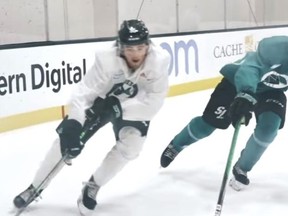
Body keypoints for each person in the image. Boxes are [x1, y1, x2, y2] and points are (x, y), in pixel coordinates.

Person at [13, 19, 170, 215]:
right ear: (120, 47)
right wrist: (74, 124)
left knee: (131, 148)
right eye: (130, 48)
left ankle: (93, 185)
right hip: (100, 104)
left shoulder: (159, 60)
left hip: (135, 108)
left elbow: (154, 101)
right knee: (64, 143)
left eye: (140, 47)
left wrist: (120, 108)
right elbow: (84, 93)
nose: (136, 53)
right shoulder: (106, 59)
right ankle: (34, 187)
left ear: (148, 46)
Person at [160, 35, 288, 191]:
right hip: (238, 81)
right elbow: (250, 68)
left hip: (271, 92)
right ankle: (177, 145)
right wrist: (245, 93)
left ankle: (242, 167)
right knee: (208, 125)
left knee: (269, 128)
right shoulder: (276, 47)